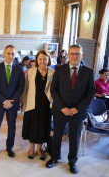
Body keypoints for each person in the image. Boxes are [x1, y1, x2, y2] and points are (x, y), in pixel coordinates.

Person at [45, 45, 95, 174]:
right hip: (60, 111)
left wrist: (77, 109)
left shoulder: (89, 72)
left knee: (74, 138)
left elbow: (90, 93)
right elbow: (54, 90)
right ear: (67, 55)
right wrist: (63, 107)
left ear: (82, 56)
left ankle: (72, 161)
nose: (74, 56)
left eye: (77, 54)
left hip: (77, 112)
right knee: (57, 136)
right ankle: (54, 157)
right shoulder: (59, 69)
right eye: (72, 53)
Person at [0, 45, 25, 158]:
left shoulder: (19, 69)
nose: (10, 56)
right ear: (4, 54)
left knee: (12, 127)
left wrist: (12, 101)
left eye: (13, 54)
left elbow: (21, 87)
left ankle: (9, 148)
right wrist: (4, 101)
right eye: (8, 53)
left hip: (12, 104)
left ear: (15, 55)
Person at [21, 50, 54, 161]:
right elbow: (26, 89)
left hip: (45, 105)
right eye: (40, 59)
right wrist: (23, 103)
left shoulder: (52, 72)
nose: (42, 61)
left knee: (42, 127)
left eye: (45, 59)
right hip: (32, 104)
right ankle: (31, 149)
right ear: (36, 60)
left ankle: (39, 149)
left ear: (48, 59)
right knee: (32, 126)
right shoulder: (31, 72)